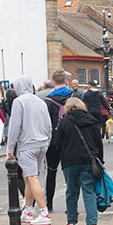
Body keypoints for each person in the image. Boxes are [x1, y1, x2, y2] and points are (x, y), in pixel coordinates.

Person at [49, 97, 104, 225]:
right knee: (89, 192)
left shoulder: (64, 122)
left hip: (70, 162)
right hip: (88, 161)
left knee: (71, 192)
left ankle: (71, 221)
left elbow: (57, 143)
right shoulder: (91, 121)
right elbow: (99, 142)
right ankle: (92, 224)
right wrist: (100, 160)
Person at [6, 75, 53, 225]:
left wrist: (10, 148)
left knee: (32, 178)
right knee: (27, 175)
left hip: (27, 145)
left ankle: (44, 213)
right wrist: (47, 142)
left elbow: (15, 127)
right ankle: (27, 210)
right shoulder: (41, 102)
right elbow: (49, 126)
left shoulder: (18, 102)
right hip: (42, 144)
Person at [43, 69, 74, 212]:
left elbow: (46, 124)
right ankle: (71, 207)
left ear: (53, 82)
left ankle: (49, 205)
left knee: (51, 172)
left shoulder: (48, 101)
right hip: (70, 140)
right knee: (71, 174)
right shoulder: (74, 97)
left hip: (53, 142)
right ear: (66, 82)